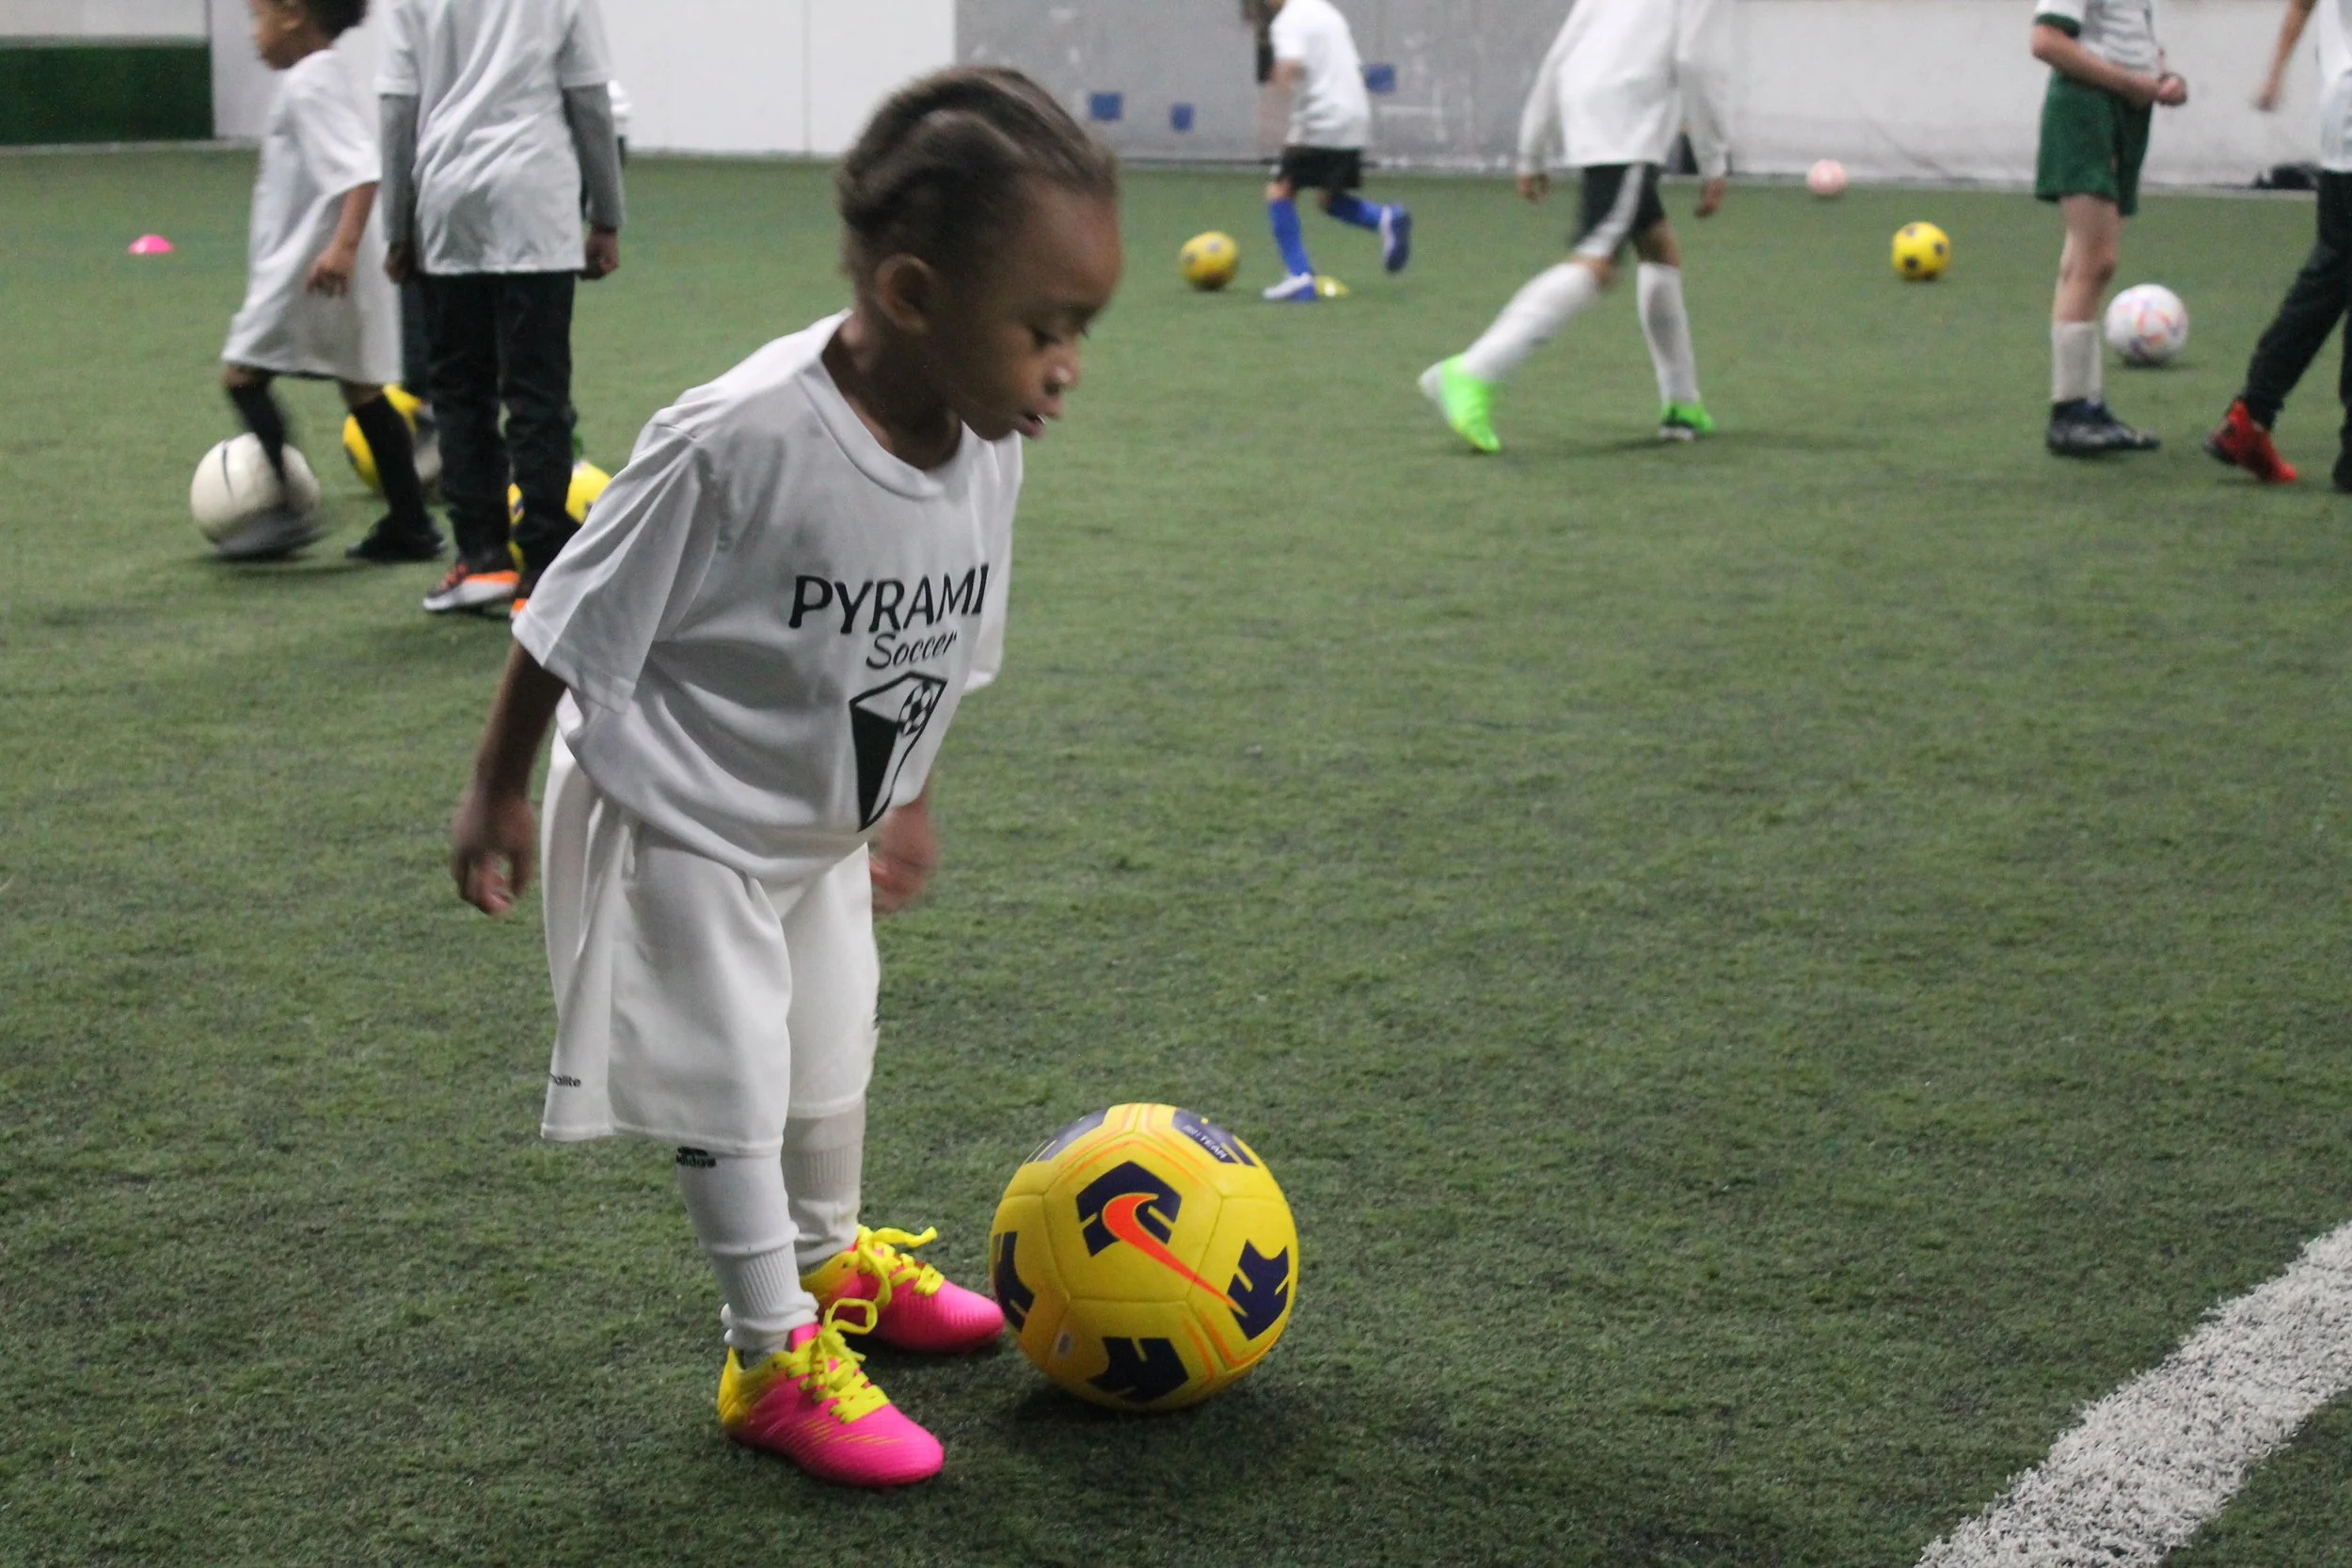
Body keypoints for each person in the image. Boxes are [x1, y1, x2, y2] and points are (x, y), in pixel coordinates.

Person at [446, 67, 1123, 1488]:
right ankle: (767, 1354)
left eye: (1082, 331)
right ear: (915, 293)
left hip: (816, 815)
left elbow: (938, 643)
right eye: (1044, 327)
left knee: (832, 1041)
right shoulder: (736, 437)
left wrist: (909, 789)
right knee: (734, 1077)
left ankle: (833, 1270)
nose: (1068, 363)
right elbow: (567, 617)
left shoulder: (987, 439)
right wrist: (498, 788)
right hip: (677, 805)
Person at [376, 0, 625, 616]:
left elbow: (397, 108)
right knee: (537, 393)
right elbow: (591, 99)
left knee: (461, 390)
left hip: (448, 202)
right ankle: (542, 574)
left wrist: (398, 227)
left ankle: (482, 555)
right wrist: (607, 214)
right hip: (535, 200)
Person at [1419, 0, 1730, 452]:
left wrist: (1532, 147)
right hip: (1628, 112)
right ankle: (1474, 370)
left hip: (1589, 98)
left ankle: (1683, 401)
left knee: (1658, 246)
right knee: (1597, 262)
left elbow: (1560, 53)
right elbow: (1694, 61)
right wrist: (1714, 159)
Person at [217, 0, 437, 563]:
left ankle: (286, 510)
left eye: (256, 16)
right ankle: (412, 524)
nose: (253, 33)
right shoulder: (323, 74)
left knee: (242, 376)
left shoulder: (310, 82)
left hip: (310, 270)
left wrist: (339, 249)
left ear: (292, 15)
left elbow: (362, 171)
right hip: (328, 265)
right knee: (361, 390)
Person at [2032, 0, 2189, 456]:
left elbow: (2124, 38)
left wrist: (2162, 78)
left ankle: (2080, 404)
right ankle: (2072, 413)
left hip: (2120, 110)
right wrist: (2129, 83)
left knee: (2082, 261)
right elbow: (2046, 40)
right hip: (2086, 109)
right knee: (2094, 261)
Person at [2206, 0, 2347, 486]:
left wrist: (2276, 71)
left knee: (2333, 273)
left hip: (2341, 124)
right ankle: (2256, 413)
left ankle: (2252, 415)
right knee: (2333, 273)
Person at [1254, 0, 1411, 302]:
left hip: (1322, 117)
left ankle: (1299, 276)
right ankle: (1384, 219)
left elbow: (1291, 63)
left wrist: (1275, 95)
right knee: (1329, 198)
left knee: (1279, 191)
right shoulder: (1325, 10)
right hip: (1355, 115)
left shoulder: (1287, 20)